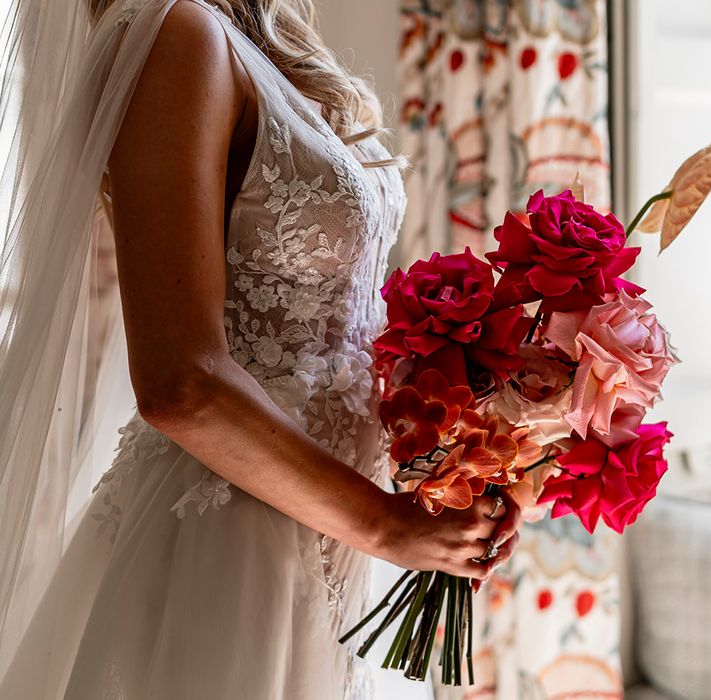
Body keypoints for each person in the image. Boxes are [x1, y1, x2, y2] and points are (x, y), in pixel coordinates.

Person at [0, 1, 521, 697]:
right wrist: (384, 525)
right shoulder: (177, 32)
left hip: (345, 529)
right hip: (240, 539)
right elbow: (180, 384)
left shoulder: (264, 47)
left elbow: (337, 330)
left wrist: (456, 456)